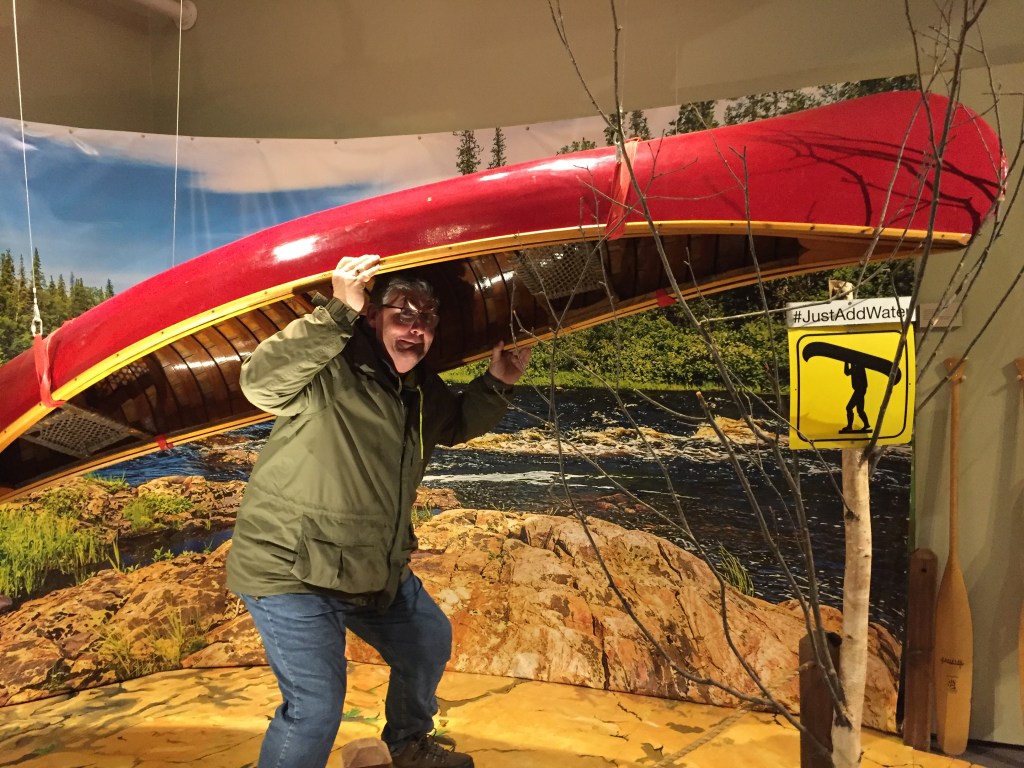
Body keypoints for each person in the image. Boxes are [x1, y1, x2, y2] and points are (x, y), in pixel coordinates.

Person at [226, 254, 531, 768]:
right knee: (315, 708)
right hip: (290, 570)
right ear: (372, 316)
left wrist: (497, 382)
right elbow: (260, 384)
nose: (416, 328)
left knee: (426, 641)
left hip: (369, 568)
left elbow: (456, 424)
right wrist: (334, 313)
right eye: (402, 314)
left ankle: (406, 744)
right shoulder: (331, 366)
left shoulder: (421, 391)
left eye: (427, 318)